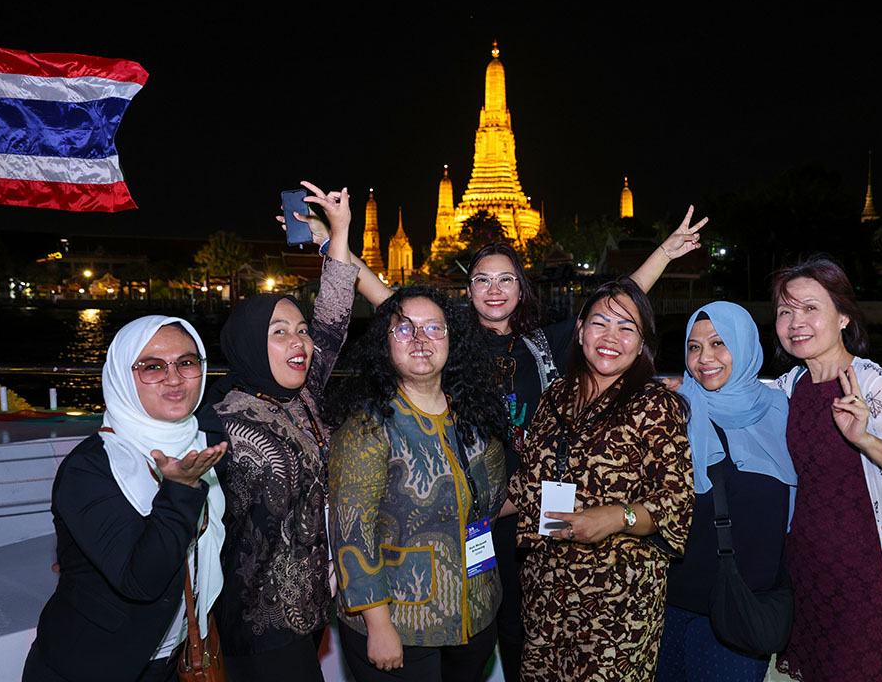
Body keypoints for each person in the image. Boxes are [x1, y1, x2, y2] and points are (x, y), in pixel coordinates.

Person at [295, 186, 707, 681]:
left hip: (536, 507)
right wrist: (333, 243)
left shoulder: (545, 345)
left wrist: (662, 252)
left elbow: (613, 315)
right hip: (463, 509)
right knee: (497, 621)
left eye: (506, 279)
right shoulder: (450, 344)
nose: (494, 290)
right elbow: (391, 304)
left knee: (522, 627)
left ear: (521, 288)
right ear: (466, 291)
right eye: (482, 280)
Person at [200, 185, 357, 681]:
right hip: (256, 625)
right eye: (280, 332)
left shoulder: (302, 395)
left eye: (301, 330)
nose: (301, 341)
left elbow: (333, 317)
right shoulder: (223, 423)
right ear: (249, 344)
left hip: (312, 610)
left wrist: (339, 232)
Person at [507, 278, 693, 682]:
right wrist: (464, 513)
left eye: (626, 327)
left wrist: (615, 518)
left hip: (616, 604)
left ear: (641, 340)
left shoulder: (654, 403)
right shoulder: (556, 396)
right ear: (579, 330)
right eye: (600, 324)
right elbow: (528, 482)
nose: (611, 338)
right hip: (545, 591)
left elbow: (675, 501)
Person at [22, 317, 227, 682]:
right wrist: (179, 490)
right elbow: (140, 580)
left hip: (172, 661)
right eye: (152, 366)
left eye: (187, 361)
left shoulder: (199, 443)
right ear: (121, 375)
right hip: (90, 667)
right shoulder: (89, 469)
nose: (174, 377)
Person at [770, 256, 882, 682]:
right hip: (805, 575)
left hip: (864, 579)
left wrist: (864, 439)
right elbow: (728, 390)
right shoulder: (787, 389)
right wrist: (686, 383)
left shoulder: (875, 386)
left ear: (843, 315)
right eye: (785, 311)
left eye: (811, 308)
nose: (796, 322)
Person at [327, 286, 508, 682]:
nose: (421, 339)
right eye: (405, 330)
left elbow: (490, 502)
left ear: (451, 339)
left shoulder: (475, 415)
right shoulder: (368, 425)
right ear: (385, 344)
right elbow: (351, 534)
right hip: (400, 624)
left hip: (475, 615)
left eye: (434, 328)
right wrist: (379, 626)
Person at [655, 301, 796, 681]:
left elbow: (829, 475)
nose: (705, 359)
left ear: (745, 343)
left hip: (740, 610)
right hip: (668, 607)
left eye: (719, 343)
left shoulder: (784, 412)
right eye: (694, 346)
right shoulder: (672, 410)